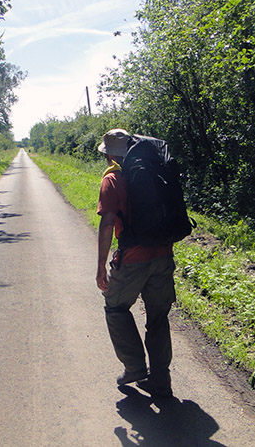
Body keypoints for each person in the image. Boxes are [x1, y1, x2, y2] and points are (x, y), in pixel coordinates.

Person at [96, 128, 176, 397]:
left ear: (108, 155)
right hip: (164, 254)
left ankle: (134, 367)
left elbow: (107, 225)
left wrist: (100, 269)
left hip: (133, 258)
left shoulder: (113, 180)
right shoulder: (156, 171)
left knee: (116, 308)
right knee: (158, 317)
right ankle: (161, 380)